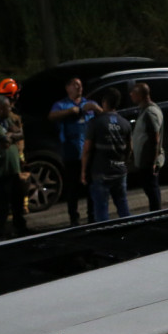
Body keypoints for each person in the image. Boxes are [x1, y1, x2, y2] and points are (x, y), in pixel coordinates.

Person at [47, 77, 101, 226]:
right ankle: (74, 219)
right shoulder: (61, 105)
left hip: (89, 152)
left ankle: (92, 216)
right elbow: (51, 116)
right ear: (67, 88)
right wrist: (70, 111)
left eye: (80, 85)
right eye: (75, 85)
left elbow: (104, 116)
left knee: (91, 186)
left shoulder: (88, 103)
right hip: (71, 152)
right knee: (73, 188)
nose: (79, 88)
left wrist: (97, 109)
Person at [81, 88, 132, 222]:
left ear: (104, 102)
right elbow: (129, 149)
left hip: (101, 172)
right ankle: (130, 231)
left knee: (101, 210)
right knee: (123, 205)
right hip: (120, 171)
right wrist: (124, 164)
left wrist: (83, 171)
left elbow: (87, 149)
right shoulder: (125, 123)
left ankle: (105, 238)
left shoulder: (95, 123)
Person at [0, 95, 26, 241]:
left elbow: (20, 134)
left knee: (17, 202)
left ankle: (20, 229)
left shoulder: (5, 120)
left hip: (13, 171)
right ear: (0, 109)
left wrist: (11, 135)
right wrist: (11, 136)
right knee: (1, 206)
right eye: (8, 107)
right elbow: (6, 140)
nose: (11, 109)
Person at [129, 82, 164, 211]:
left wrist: (153, 162)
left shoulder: (150, 112)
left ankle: (156, 215)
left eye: (133, 92)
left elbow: (154, 139)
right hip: (145, 159)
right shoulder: (145, 109)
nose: (131, 94)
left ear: (140, 95)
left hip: (148, 161)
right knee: (150, 189)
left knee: (152, 189)